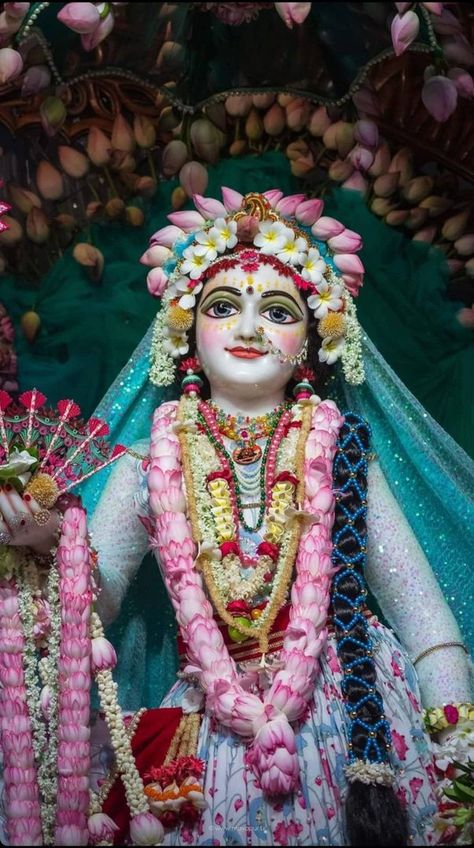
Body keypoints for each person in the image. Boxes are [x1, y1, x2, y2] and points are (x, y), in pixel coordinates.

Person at [0, 188, 472, 847]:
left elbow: (427, 624)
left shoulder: (340, 449)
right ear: (186, 328)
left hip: (353, 713)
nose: (248, 328)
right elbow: (92, 613)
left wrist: (457, 752)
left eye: (276, 310)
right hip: (211, 728)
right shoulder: (150, 461)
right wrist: (47, 541)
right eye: (225, 306)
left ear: (313, 339)